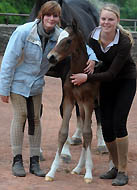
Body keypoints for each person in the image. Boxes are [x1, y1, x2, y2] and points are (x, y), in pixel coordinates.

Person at [70, 3, 136, 186]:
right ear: (100, 19)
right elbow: (88, 53)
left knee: (118, 124)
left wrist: (87, 76)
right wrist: (91, 59)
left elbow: (112, 73)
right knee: (106, 126)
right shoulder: (93, 36)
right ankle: (115, 166)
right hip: (104, 83)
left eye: (110, 19)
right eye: (103, 19)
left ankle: (123, 171)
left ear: (117, 21)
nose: (106, 22)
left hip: (124, 81)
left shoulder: (123, 41)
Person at [0, 1, 62, 177]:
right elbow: (9, 60)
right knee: (21, 116)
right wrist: (3, 89)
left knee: (35, 118)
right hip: (17, 82)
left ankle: (34, 162)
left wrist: (92, 58)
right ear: (41, 16)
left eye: (55, 15)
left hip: (36, 85)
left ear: (59, 19)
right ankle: (17, 160)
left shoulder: (59, 36)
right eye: (48, 15)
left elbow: (79, 44)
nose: (51, 18)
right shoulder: (24, 31)